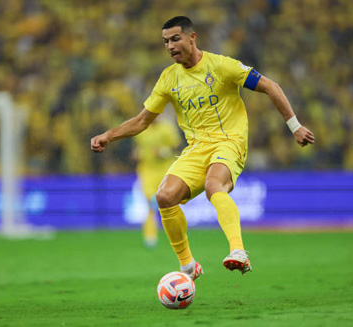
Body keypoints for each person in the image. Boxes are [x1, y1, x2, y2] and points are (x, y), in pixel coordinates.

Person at [91, 16, 315, 279]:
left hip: (229, 142)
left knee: (213, 186)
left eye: (175, 39)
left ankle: (238, 252)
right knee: (164, 197)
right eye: (165, 42)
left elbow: (270, 86)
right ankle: (188, 265)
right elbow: (142, 120)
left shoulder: (221, 66)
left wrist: (295, 126)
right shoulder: (168, 79)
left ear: (192, 37)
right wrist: (109, 135)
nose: (170, 46)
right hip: (196, 148)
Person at [134, 118, 181, 247]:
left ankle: (176, 234)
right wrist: (137, 153)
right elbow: (139, 147)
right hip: (147, 169)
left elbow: (176, 146)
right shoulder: (142, 130)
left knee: (169, 203)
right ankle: (150, 236)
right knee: (149, 202)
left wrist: (162, 152)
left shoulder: (167, 128)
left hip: (165, 168)